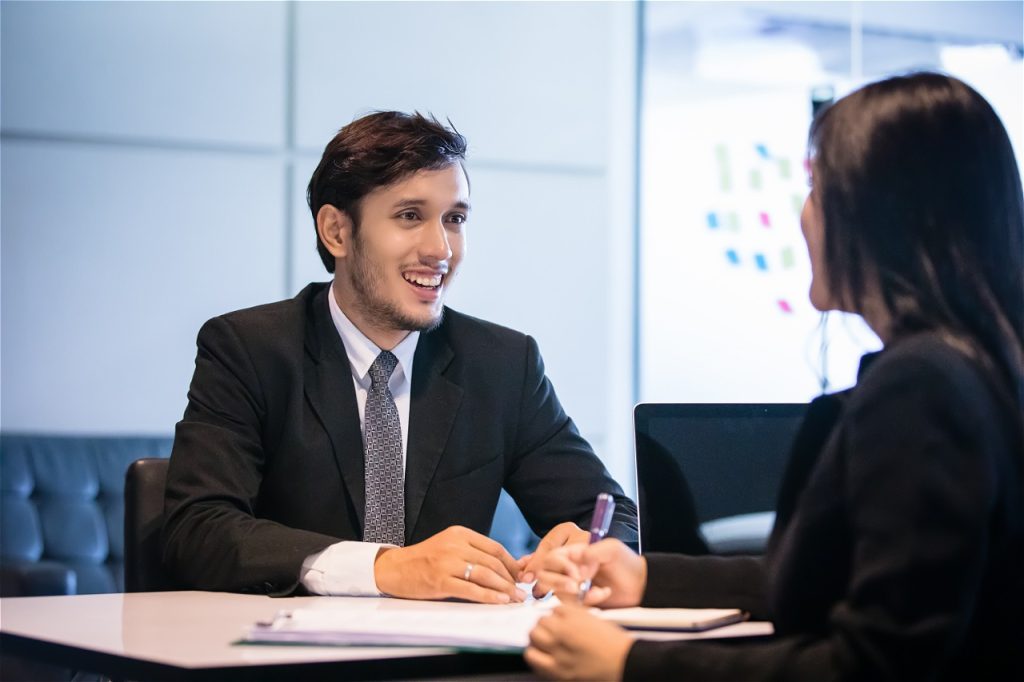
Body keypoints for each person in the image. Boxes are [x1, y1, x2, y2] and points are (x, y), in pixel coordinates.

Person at [525, 72, 1024, 680]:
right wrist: (650, 577)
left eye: (816, 189)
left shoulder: (923, 389)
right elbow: (840, 580)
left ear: (877, 215)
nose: (803, 215)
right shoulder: (978, 370)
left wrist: (629, 664)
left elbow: (875, 663)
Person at [162, 111, 637, 602]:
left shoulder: (503, 364)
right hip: (285, 641)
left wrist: (591, 549)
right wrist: (383, 567)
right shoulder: (249, 349)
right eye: (410, 216)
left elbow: (613, 516)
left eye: (454, 219)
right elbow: (197, 529)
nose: (440, 249)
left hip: (452, 647)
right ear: (336, 231)